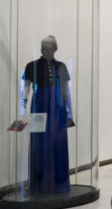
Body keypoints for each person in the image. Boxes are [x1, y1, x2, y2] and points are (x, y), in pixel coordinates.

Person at [21, 35, 73, 194]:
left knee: (59, 144)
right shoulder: (32, 65)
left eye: (50, 48)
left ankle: (59, 185)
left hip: (58, 107)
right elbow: (26, 89)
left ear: (55, 49)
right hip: (39, 106)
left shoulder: (61, 66)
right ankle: (40, 185)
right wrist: (21, 109)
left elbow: (66, 91)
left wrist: (70, 113)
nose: (47, 51)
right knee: (40, 144)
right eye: (45, 48)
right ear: (41, 49)